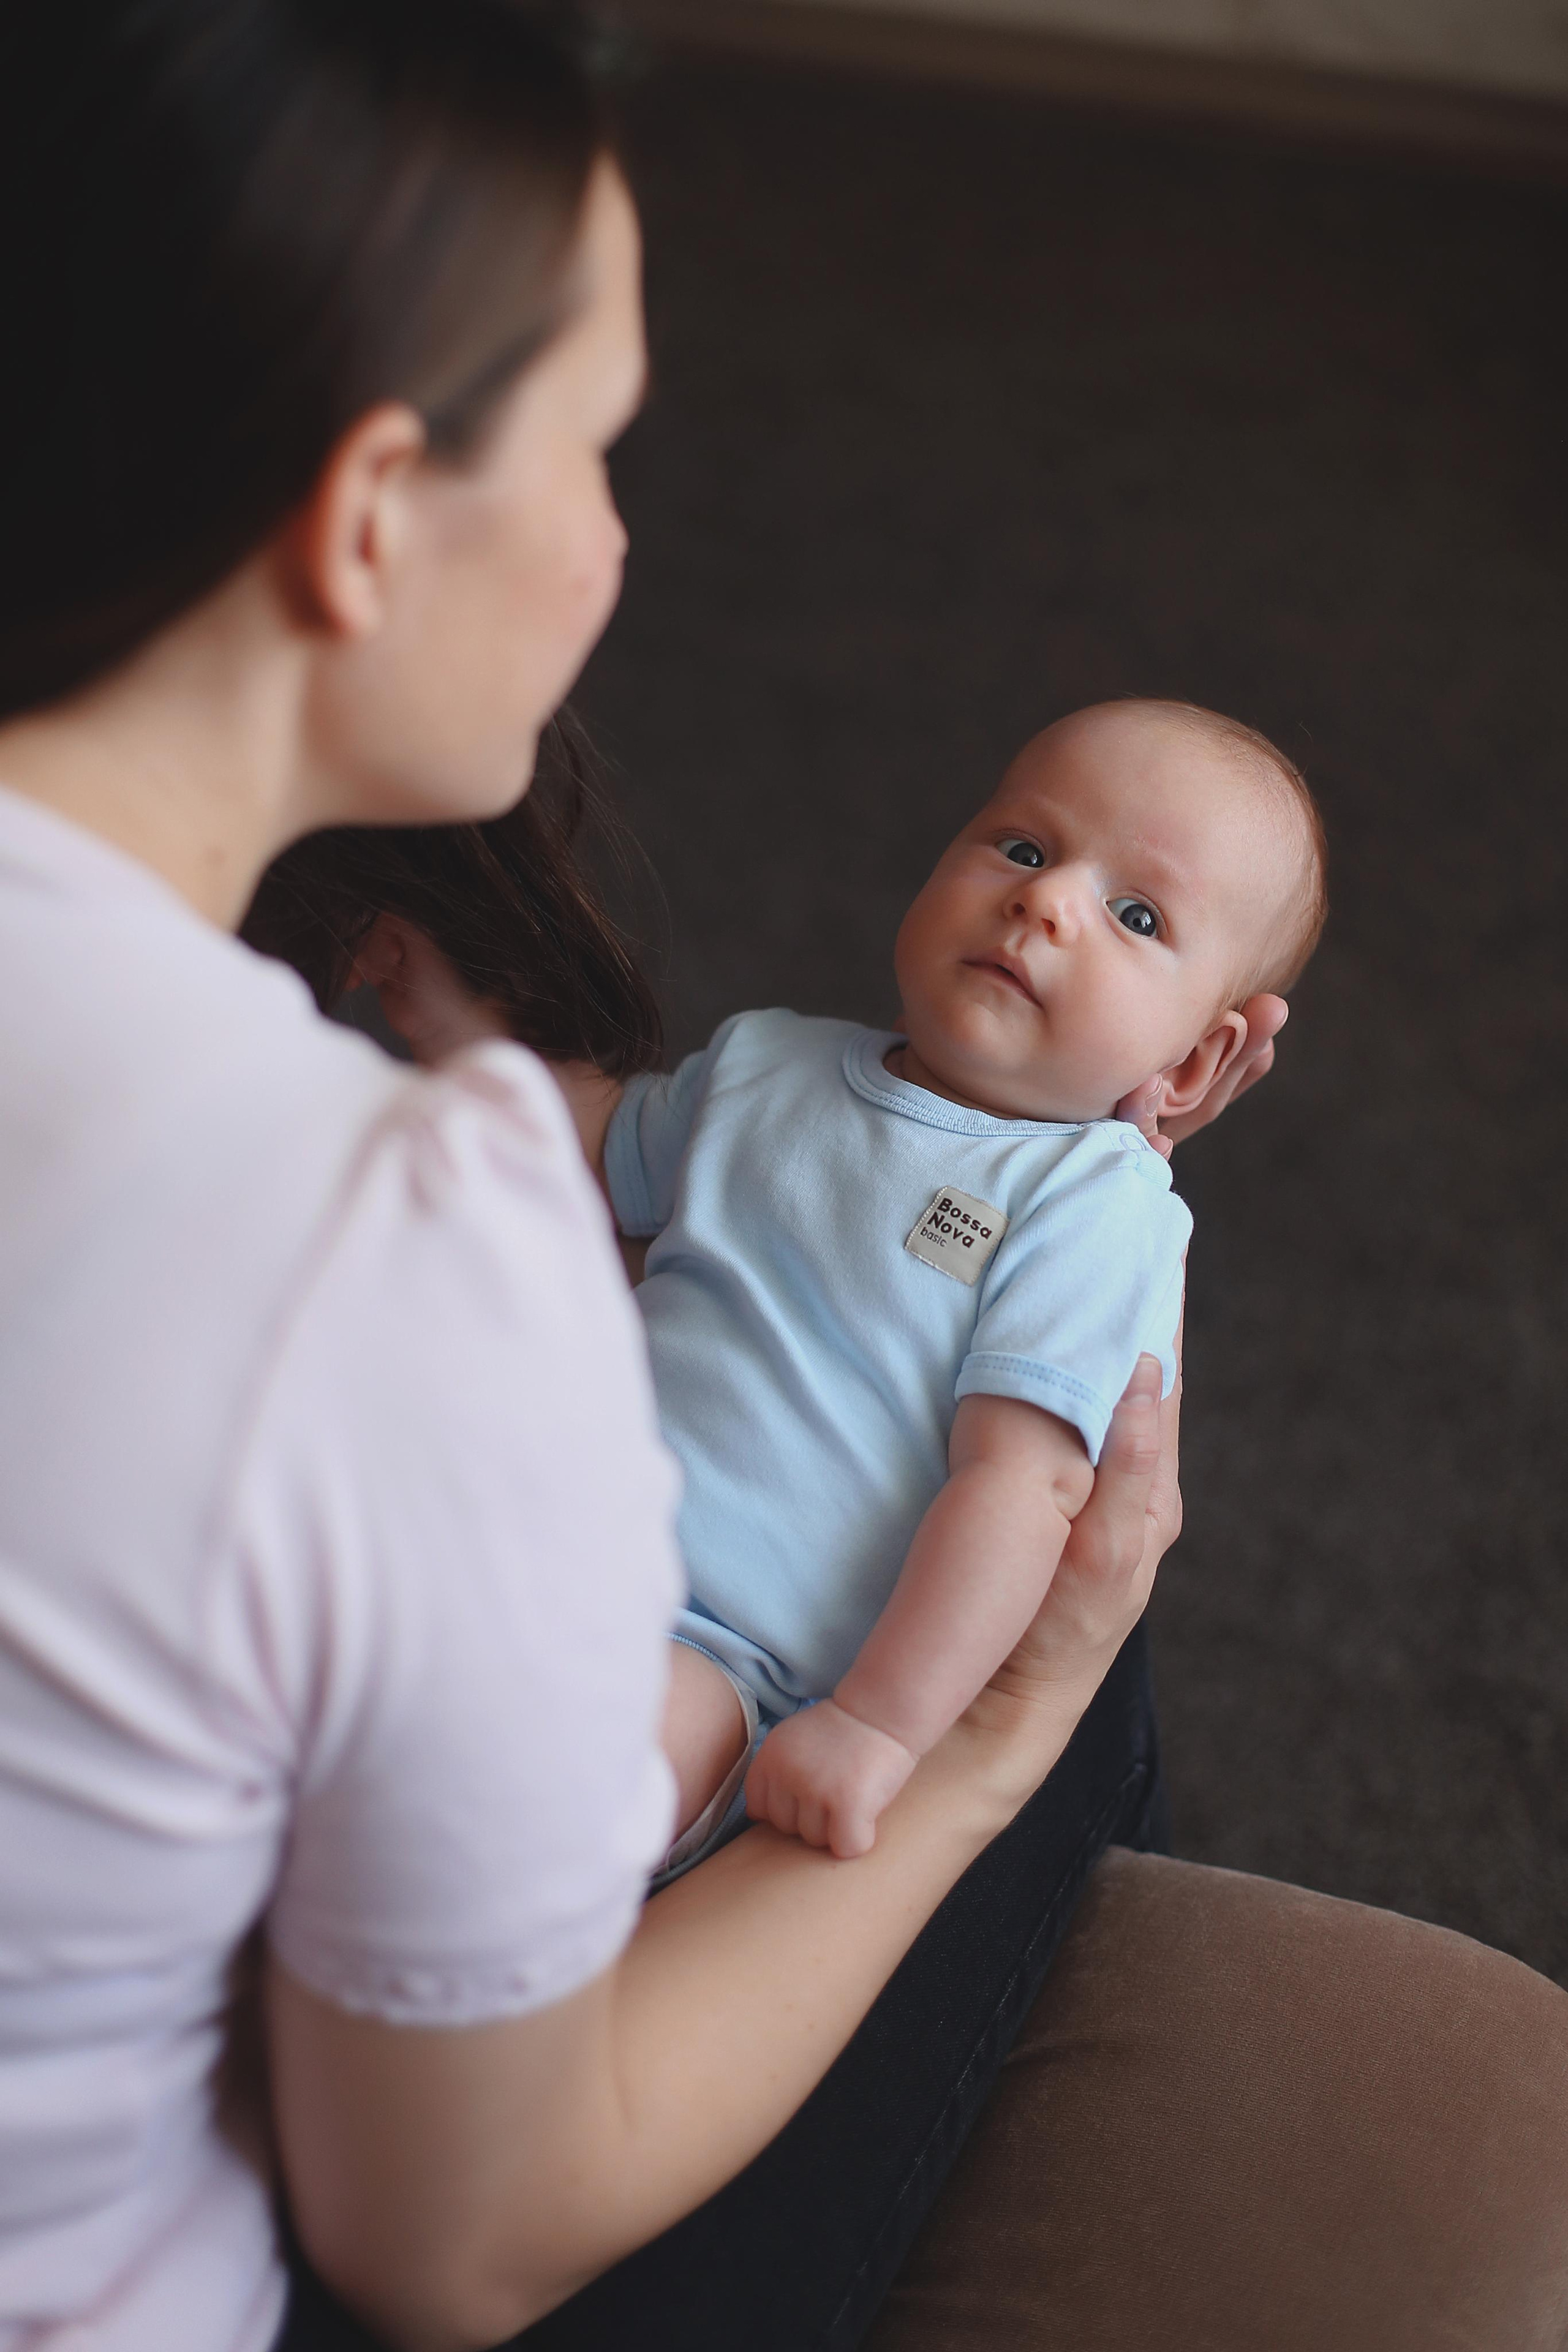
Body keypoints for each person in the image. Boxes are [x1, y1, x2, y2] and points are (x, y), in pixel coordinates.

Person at [2, 10, 1566, 2352]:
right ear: (362, 515)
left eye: (1137, 914)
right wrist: (989, 1746)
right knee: (1084, 1722)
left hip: (716, 1641)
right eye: (600, 443)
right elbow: (451, 2240)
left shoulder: (1072, 1220)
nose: (628, 534)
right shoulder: (424, 1248)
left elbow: (980, 1447)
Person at [316, 699, 1324, 1875]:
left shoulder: (1095, 1209)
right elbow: (586, 1145)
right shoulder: (764, 1063)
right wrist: (447, 1005)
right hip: (519, 1508)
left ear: (1199, 1059)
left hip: (718, 1645)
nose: (1046, 901)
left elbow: (1023, 1489)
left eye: (1136, 915)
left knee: (548, 1789)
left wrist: (880, 1725)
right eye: (1024, 847)